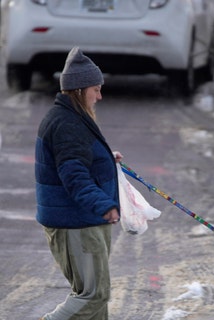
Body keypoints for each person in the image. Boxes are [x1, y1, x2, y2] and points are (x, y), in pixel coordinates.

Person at [35, 46, 122, 320]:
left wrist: (106, 159)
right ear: (79, 89)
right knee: (93, 295)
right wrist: (104, 205)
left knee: (96, 304)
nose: (99, 96)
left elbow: (79, 159)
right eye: (95, 89)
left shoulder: (72, 118)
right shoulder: (67, 124)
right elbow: (73, 175)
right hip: (76, 223)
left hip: (83, 220)